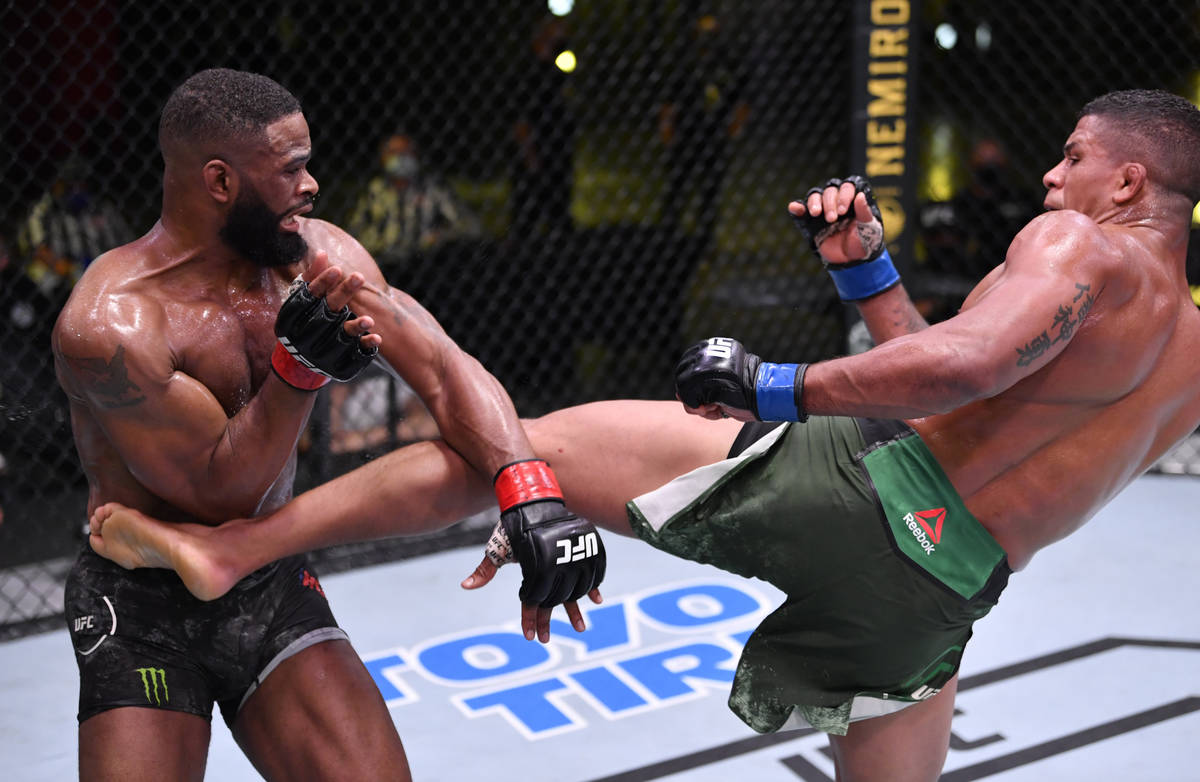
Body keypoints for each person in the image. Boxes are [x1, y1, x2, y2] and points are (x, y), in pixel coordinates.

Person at [88, 89, 1200, 781]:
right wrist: (867, 270)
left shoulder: (1077, 244)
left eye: (1072, 157)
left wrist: (771, 383)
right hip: (943, 590)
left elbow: (963, 367)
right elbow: (968, 395)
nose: (1055, 177)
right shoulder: (1189, 353)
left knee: (538, 442)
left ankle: (236, 548)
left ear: (1130, 178)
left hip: (860, 492)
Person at [52, 68, 603, 782]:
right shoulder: (115, 325)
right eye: (291, 170)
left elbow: (440, 365)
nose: (311, 186)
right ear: (219, 182)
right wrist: (297, 374)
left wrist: (527, 490)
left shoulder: (316, 258)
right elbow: (223, 495)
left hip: (264, 576)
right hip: (140, 600)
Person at [346, 131, 480, 279]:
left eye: (406, 152)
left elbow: (468, 226)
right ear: (382, 157)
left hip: (424, 264)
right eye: (393, 152)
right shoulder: (375, 190)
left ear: (417, 155)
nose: (401, 158)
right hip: (382, 263)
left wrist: (438, 237)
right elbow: (355, 229)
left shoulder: (432, 188)